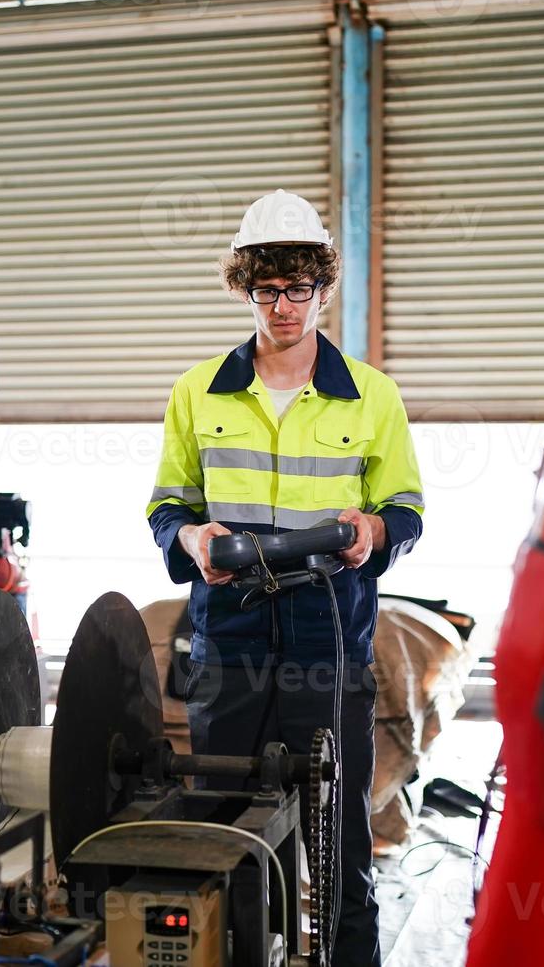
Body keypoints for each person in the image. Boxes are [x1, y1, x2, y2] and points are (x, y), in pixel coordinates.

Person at [146, 189, 424, 967]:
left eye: (298, 286)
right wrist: (193, 536)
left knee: (337, 843)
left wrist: (372, 530)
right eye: (266, 288)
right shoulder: (197, 391)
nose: (283, 306)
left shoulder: (373, 397)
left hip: (327, 635)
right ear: (244, 288)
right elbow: (168, 505)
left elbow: (404, 510)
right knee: (224, 828)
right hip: (228, 635)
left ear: (323, 286)